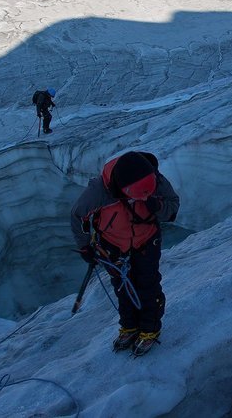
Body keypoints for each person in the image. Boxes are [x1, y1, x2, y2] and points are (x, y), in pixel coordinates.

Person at [70, 151, 180, 356]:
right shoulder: (99, 192)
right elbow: (77, 216)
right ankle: (129, 327)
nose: (145, 196)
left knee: (148, 286)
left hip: (147, 241)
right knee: (123, 288)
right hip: (112, 246)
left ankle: (149, 329)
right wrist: (85, 246)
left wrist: (157, 206)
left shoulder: (154, 178)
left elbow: (172, 208)